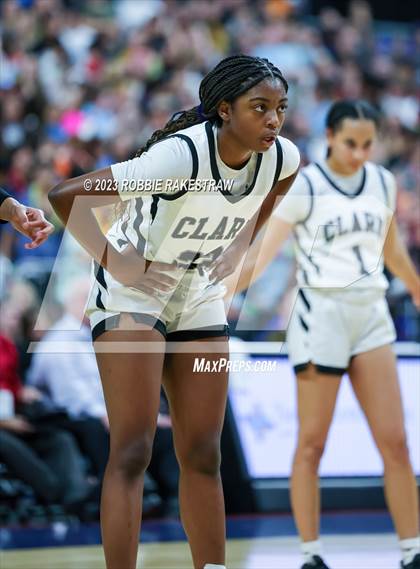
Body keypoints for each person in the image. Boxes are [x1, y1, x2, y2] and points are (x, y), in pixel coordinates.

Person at [48, 54, 300, 569]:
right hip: (132, 295)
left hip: (199, 292)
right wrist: (120, 265)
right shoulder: (179, 157)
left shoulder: (281, 158)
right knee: (134, 449)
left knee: (205, 453)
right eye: (260, 108)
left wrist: (243, 244)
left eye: (280, 108)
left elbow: (277, 190)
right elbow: (66, 194)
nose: (273, 120)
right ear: (224, 109)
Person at [225, 100, 420, 569]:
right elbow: (261, 255)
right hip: (321, 318)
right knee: (312, 443)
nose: (360, 153)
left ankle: (412, 549)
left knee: (395, 442)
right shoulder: (306, 186)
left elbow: (390, 248)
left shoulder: (382, 181)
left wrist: (415, 286)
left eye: (368, 144)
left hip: (371, 315)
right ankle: (311, 552)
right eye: (351, 143)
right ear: (330, 137)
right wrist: (223, 286)